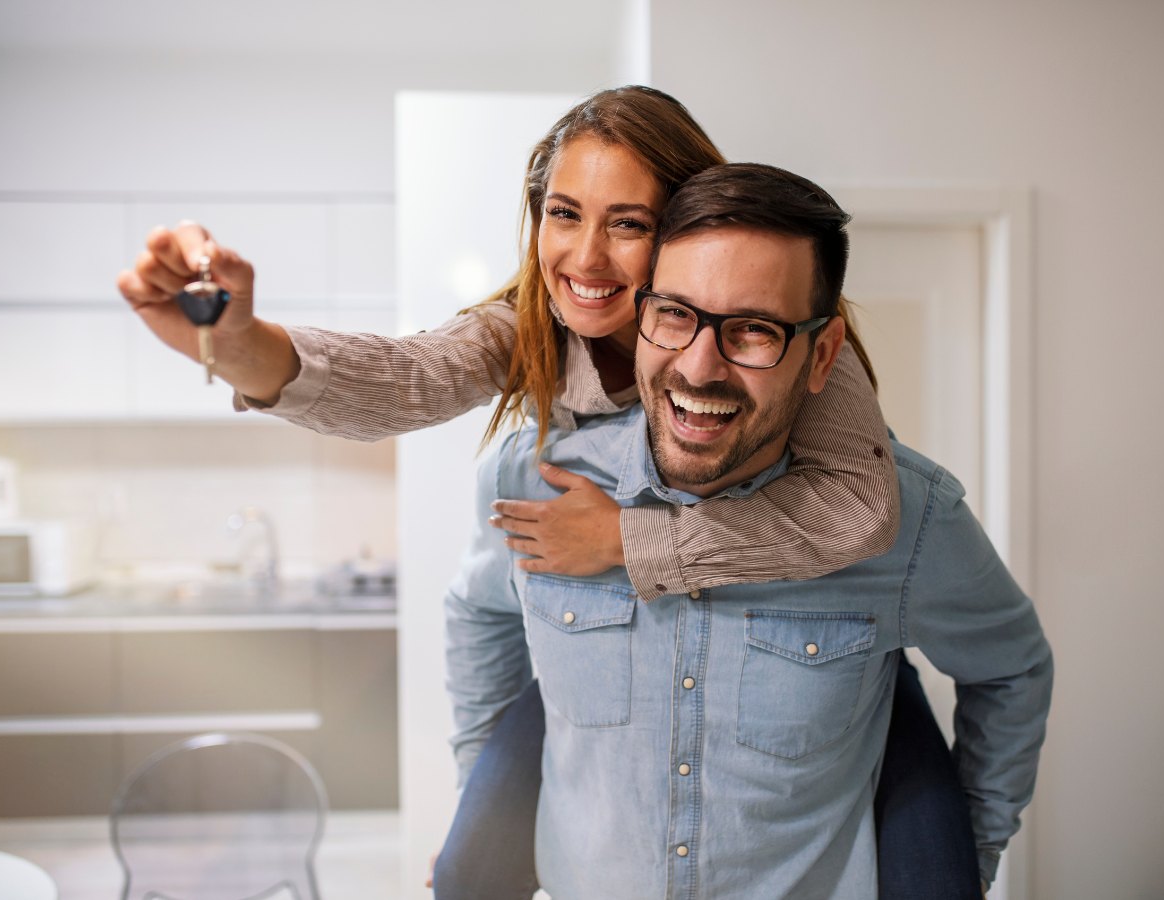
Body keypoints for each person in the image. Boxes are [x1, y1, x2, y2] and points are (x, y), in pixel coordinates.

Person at [116, 87, 975, 895]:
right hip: (607, 642)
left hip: (803, 642)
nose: (586, 258)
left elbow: (861, 509)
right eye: (563, 215)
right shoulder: (533, 325)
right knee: (467, 871)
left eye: (628, 224)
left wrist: (628, 542)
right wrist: (237, 344)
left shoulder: (784, 351)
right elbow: (405, 380)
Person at [443, 162, 1052, 899]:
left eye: (754, 331)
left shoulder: (911, 519)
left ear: (823, 355)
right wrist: (482, 802)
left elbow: (1011, 666)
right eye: (674, 314)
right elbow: (479, 610)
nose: (700, 368)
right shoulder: (531, 477)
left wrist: (971, 852)